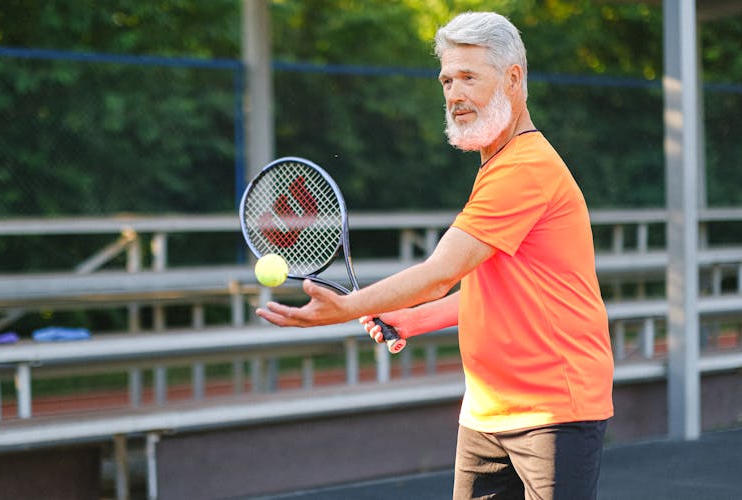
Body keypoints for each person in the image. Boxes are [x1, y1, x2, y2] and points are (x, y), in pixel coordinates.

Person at [256, 11, 614, 500]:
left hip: (553, 413)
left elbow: (439, 274)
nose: (453, 94)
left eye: (469, 77)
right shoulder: (499, 166)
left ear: (513, 79)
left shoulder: (525, 170)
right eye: (447, 79)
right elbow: (496, 291)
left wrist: (344, 310)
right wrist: (412, 319)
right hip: (487, 412)